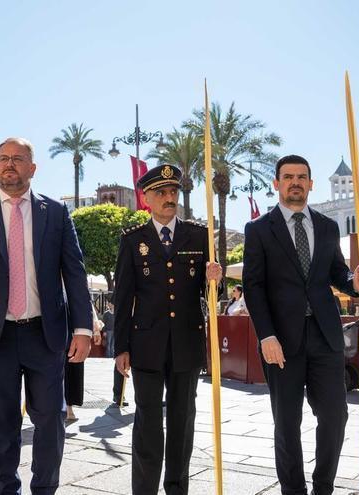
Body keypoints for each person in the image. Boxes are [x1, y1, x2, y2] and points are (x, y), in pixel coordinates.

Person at [0, 137, 92, 495]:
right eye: (3, 159)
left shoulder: (55, 213)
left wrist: (84, 328)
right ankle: (5, 489)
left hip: (45, 334)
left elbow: (74, 271)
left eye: (18, 159)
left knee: (51, 421)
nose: (10, 164)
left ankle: (45, 489)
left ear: (32, 168)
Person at [243, 154, 359, 495]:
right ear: (276, 183)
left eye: (302, 177)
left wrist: (355, 282)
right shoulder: (258, 230)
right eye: (288, 177)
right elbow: (253, 287)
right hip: (281, 342)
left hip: (326, 337)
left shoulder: (328, 227)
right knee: (287, 424)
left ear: (311, 184)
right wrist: (266, 335)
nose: (295, 182)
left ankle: (323, 488)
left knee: (335, 417)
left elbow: (338, 274)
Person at [113, 164, 223, 495]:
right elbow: (123, 298)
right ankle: (144, 490)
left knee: (182, 422)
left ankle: (177, 488)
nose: (169, 198)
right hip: (146, 345)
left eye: (173, 192)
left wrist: (214, 280)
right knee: (147, 423)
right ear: (146, 198)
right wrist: (121, 348)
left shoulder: (198, 236)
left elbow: (207, 293)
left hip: (186, 345)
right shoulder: (133, 241)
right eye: (161, 193)